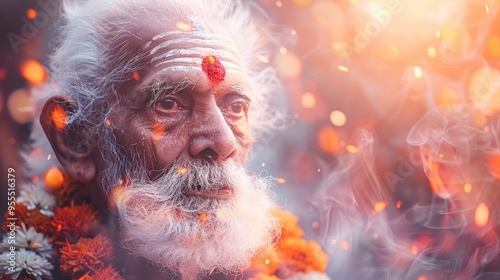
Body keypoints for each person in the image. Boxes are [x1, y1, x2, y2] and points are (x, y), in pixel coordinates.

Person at [5, 0, 286, 279]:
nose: (224, 143)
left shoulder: (281, 270)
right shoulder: (21, 266)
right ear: (75, 141)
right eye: (168, 103)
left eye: (236, 107)